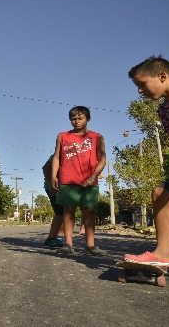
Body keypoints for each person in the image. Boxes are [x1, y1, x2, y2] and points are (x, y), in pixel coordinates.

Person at [123, 55, 169, 268]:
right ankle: (165, 254)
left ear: (162, 76)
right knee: (161, 193)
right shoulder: (165, 111)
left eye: (142, 84)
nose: (139, 91)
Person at [51, 106, 107, 256]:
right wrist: (53, 176)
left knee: (89, 211)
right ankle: (68, 243)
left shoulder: (97, 137)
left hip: (88, 181)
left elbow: (102, 160)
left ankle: (90, 245)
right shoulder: (62, 136)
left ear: (88, 119)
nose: (76, 121)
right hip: (68, 179)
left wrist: (93, 177)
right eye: (73, 119)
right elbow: (57, 157)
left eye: (80, 118)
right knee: (68, 211)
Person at [42, 154, 65, 248]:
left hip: (64, 188)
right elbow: (45, 168)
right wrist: (51, 185)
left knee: (66, 212)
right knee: (60, 212)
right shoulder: (59, 154)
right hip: (54, 187)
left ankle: (58, 238)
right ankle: (51, 239)